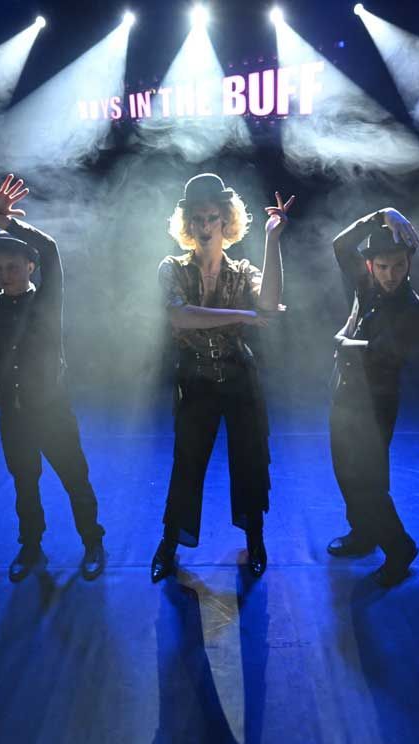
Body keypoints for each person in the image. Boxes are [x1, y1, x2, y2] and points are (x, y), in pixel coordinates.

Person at [0, 174, 107, 582]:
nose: (4, 274)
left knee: (75, 479)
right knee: (24, 484)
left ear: (30, 267)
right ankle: (31, 546)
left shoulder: (47, 300)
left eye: (12, 267)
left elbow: (49, 249)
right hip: (13, 415)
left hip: (52, 411)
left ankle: (92, 541)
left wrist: (1, 220)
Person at [151, 174, 294, 582]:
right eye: (197, 218)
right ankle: (168, 543)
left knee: (250, 461)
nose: (204, 226)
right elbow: (181, 316)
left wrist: (273, 239)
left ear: (225, 220)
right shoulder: (172, 268)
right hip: (195, 378)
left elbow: (269, 303)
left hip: (238, 376)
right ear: (187, 223)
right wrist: (245, 315)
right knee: (187, 465)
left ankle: (256, 540)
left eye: (211, 217)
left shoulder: (242, 270)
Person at [323, 208, 419, 587]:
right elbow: (341, 245)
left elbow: (379, 354)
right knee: (345, 472)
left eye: (398, 265)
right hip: (345, 394)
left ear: (408, 264)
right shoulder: (366, 285)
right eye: (383, 266)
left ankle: (400, 547)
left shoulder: (415, 310)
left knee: (369, 481)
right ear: (370, 266)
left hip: (376, 403)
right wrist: (380, 216)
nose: (391, 274)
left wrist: (340, 341)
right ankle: (363, 532)